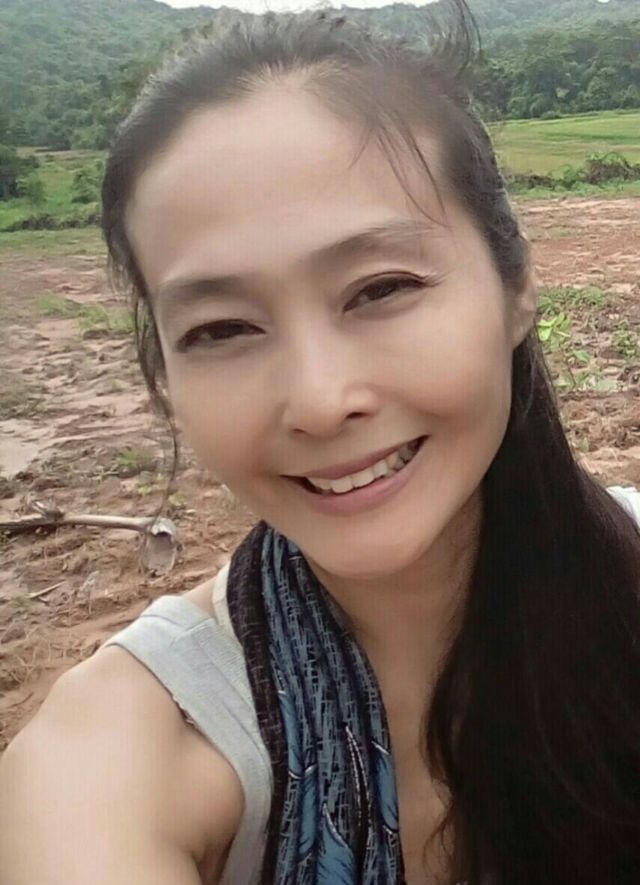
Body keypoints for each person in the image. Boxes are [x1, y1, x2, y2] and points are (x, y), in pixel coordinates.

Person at [1, 4, 640, 883]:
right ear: (164, 375)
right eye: (222, 329)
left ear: (517, 285)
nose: (318, 400)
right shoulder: (117, 758)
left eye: (380, 288)